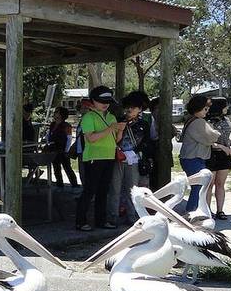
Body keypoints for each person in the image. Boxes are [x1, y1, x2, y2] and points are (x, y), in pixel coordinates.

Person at [75, 86, 124, 231]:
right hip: (93, 158)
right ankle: (80, 221)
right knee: (90, 190)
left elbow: (116, 140)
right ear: (93, 101)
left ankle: (101, 221)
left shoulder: (111, 117)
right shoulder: (88, 117)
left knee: (103, 191)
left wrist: (120, 130)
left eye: (108, 101)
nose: (105, 104)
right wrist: (111, 128)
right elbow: (91, 138)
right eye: (101, 101)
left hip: (109, 157)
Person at [110, 93, 148, 227]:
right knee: (115, 188)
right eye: (128, 107)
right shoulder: (118, 121)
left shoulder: (144, 124)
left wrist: (134, 153)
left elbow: (146, 143)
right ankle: (112, 217)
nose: (129, 110)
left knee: (133, 189)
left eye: (133, 107)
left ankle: (132, 217)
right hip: (118, 158)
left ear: (139, 109)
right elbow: (114, 140)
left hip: (134, 159)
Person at [179, 95, 219, 213]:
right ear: (198, 108)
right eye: (205, 109)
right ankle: (192, 213)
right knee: (199, 187)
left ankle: (193, 213)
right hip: (193, 159)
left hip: (192, 159)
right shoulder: (199, 122)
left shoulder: (192, 120)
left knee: (198, 187)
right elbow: (212, 136)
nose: (207, 111)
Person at [204, 97, 231, 220]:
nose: (227, 108)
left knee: (220, 184)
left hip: (225, 155)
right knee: (209, 185)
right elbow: (207, 141)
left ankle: (220, 210)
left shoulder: (226, 120)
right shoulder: (207, 121)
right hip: (211, 154)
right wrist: (222, 147)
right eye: (225, 106)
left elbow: (226, 136)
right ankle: (207, 211)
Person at [145, 97, 180, 190]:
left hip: (165, 155)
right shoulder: (149, 120)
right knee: (153, 180)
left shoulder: (166, 121)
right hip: (153, 155)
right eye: (158, 108)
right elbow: (152, 137)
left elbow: (174, 133)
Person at [46, 106, 78, 188]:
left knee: (67, 167)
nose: (55, 113)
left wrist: (66, 150)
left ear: (61, 114)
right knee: (56, 168)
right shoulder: (52, 124)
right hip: (53, 149)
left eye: (57, 112)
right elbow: (49, 134)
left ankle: (74, 184)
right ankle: (59, 184)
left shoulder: (66, 125)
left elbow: (69, 138)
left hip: (63, 149)